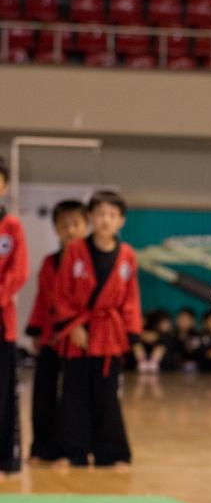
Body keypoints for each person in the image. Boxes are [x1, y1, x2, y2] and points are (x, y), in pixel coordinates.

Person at [54, 189, 142, 467]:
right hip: (78, 332)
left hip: (108, 335)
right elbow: (62, 292)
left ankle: (113, 453)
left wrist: (130, 333)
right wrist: (71, 326)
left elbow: (130, 297)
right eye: (100, 213)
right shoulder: (76, 250)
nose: (106, 220)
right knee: (74, 394)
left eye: (112, 215)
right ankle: (73, 453)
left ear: (121, 221)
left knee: (107, 397)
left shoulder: (127, 255)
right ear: (91, 216)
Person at [26, 198, 88, 461]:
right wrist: (37, 331)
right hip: (51, 337)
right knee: (43, 394)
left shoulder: (91, 261)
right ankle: (42, 448)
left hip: (79, 338)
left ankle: (71, 449)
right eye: (64, 225)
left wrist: (79, 327)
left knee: (74, 397)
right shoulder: (50, 262)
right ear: (55, 228)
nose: (70, 230)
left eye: (76, 224)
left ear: (86, 226)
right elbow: (42, 299)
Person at [0, 158, 29, 476]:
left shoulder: (12, 226)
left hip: (1, 321)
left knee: (3, 392)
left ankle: (4, 458)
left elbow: (18, 270)